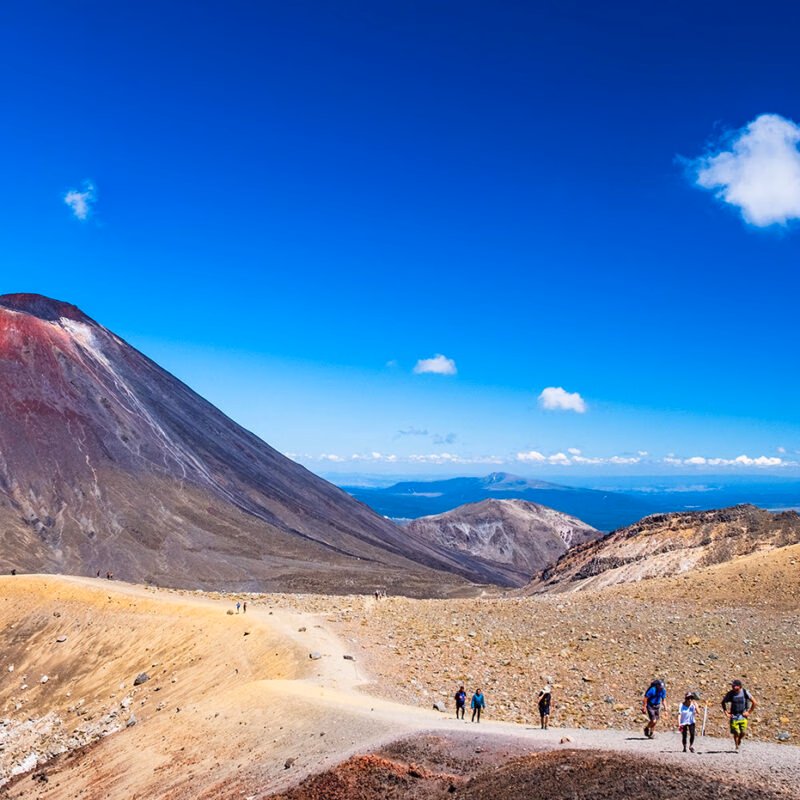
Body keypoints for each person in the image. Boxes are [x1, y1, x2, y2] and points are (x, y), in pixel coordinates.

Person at [721, 679, 757, 752]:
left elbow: (754, 702)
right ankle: (737, 746)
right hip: (734, 716)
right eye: (732, 685)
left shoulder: (744, 692)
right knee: (736, 732)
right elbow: (723, 702)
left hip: (743, 715)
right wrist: (726, 713)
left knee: (743, 732)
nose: (732, 687)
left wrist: (749, 712)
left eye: (734, 685)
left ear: (738, 686)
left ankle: (739, 740)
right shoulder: (730, 693)